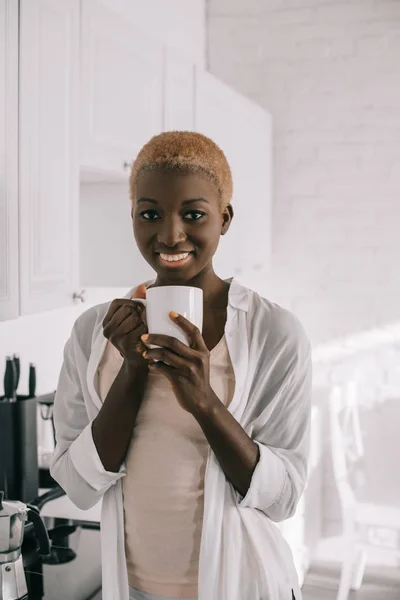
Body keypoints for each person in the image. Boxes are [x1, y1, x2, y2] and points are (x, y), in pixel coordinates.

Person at [50, 131, 312, 600]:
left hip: (243, 586)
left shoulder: (274, 333)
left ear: (224, 219)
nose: (170, 235)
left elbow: (284, 497)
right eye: (149, 214)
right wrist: (130, 372)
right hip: (132, 590)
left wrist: (205, 403)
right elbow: (77, 483)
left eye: (193, 214)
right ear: (132, 217)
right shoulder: (96, 333)